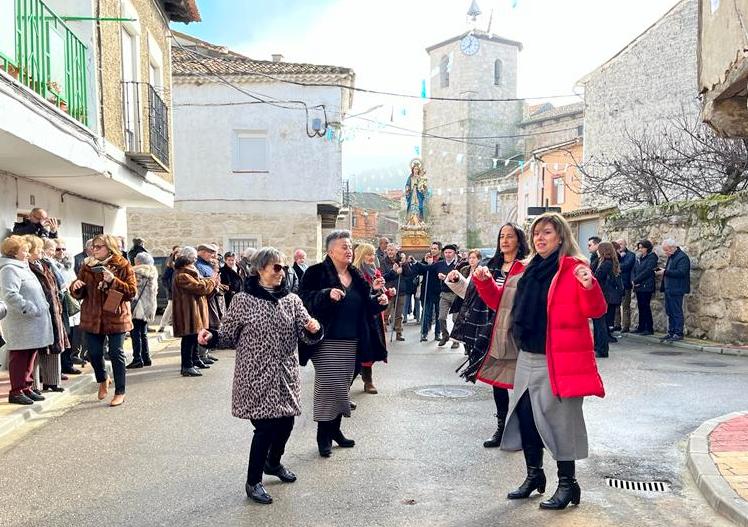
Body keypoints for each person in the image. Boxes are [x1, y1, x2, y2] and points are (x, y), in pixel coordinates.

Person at [474, 212, 607, 510]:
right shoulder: (526, 268)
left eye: (547, 232)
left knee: (561, 422)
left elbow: (596, 311)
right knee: (526, 419)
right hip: (527, 356)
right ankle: (534, 476)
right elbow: (503, 304)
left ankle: (568, 484)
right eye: (536, 233)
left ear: (560, 236)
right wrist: (482, 284)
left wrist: (589, 285)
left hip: (558, 359)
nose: (540, 238)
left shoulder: (574, 267)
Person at [198, 247, 322, 505]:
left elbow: (307, 332)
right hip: (254, 375)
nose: (282, 272)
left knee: (286, 423)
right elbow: (228, 334)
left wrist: (314, 329)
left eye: (284, 268)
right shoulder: (243, 300)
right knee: (265, 428)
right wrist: (211, 337)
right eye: (276, 267)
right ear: (260, 270)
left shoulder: (292, 300)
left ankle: (273, 463)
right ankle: (253, 481)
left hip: (284, 375)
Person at [298, 230, 388, 458]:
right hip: (326, 340)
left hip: (354, 341)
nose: (349, 251)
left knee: (342, 387)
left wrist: (379, 300)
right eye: (343, 247)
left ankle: (335, 430)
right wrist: (326, 295)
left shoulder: (356, 275)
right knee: (329, 388)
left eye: (350, 247)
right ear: (330, 251)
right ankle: (323, 436)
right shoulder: (315, 272)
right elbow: (303, 301)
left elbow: (365, 306)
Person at [448, 225, 529, 448]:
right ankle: (501, 428)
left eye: (510, 236)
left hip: (519, 330)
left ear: (519, 240)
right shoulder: (489, 265)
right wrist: (457, 281)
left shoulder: (527, 267)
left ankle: (523, 429)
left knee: (522, 384)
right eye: (501, 236)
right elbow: (472, 294)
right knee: (498, 382)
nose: (505, 240)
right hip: (492, 329)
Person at [70, 234, 136, 407]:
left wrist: (113, 281)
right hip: (92, 315)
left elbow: (131, 292)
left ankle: (120, 391)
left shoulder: (123, 265)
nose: (94, 249)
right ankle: (103, 379)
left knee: (116, 353)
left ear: (110, 247)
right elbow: (80, 292)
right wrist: (75, 287)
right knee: (93, 353)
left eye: (99, 246)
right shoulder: (87, 265)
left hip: (115, 315)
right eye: (93, 246)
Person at [0, 235, 54, 405]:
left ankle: (26, 387)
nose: (27, 253)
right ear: (14, 252)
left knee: (30, 354)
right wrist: (29, 307)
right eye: (24, 250)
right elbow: (10, 294)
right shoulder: (9, 269)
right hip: (22, 322)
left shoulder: (22, 267)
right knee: (20, 355)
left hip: (33, 321)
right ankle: (16, 391)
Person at [27, 236, 69, 392]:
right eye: (38, 249)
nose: (42, 251)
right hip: (38, 311)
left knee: (54, 346)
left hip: (53, 309)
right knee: (37, 350)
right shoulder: (27, 267)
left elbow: (60, 282)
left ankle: (52, 381)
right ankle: (33, 385)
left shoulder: (45, 264)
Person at [352, 243, 392, 395]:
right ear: (361, 255)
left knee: (372, 348)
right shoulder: (354, 273)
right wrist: (373, 290)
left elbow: (380, 293)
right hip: (360, 316)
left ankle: (367, 379)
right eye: (368, 254)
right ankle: (362, 380)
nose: (371, 257)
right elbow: (357, 295)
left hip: (374, 314)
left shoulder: (375, 272)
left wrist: (387, 294)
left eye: (372, 254)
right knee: (360, 349)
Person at [171, 246, 217, 377]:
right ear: (189, 259)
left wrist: (210, 282)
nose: (195, 260)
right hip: (187, 312)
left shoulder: (188, 272)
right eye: (194, 258)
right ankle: (187, 365)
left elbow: (201, 283)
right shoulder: (182, 274)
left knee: (194, 337)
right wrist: (212, 281)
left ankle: (195, 360)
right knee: (188, 339)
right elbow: (199, 287)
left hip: (193, 310)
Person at [126, 252, 159, 369]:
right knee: (143, 334)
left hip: (137, 307)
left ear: (139, 261)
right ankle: (146, 358)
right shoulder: (153, 273)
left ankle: (137, 359)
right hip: (148, 306)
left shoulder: (136, 272)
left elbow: (132, 290)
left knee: (135, 334)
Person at [656, 239, 691, 342]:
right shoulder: (672, 256)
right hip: (669, 289)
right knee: (669, 311)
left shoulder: (682, 257)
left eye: (666, 250)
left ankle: (678, 333)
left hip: (677, 288)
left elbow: (681, 272)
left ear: (672, 248)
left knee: (676, 311)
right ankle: (671, 332)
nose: (665, 253)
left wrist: (665, 272)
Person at [593, 242, 622, 357]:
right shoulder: (606, 262)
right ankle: (598, 346)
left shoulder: (607, 263)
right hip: (603, 295)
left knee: (600, 324)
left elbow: (597, 277)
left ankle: (601, 348)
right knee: (599, 323)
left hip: (603, 296)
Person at [380, 243, 413, 341]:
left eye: (392, 250)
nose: (390, 252)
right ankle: (383, 329)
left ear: (396, 251)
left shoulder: (401, 261)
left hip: (400, 289)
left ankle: (399, 331)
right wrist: (394, 272)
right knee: (386, 311)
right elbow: (383, 277)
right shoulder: (383, 261)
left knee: (399, 313)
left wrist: (405, 264)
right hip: (389, 290)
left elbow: (409, 274)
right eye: (388, 250)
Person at [412, 242, 442, 342]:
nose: (433, 250)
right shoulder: (426, 260)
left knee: (439, 313)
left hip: (438, 290)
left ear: (439, 250)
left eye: (435, 249)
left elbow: (435, 270)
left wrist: (430, 264)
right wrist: (425, 262)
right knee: (426, 312)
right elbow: (420, 271)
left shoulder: (442, 261)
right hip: (427, 290)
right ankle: (424, 333)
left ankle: (438, 333)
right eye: (432, 248)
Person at [435, 244, 460, 347]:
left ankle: (456, 340)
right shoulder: (440, 264)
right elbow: (428, 268)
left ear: (454, 253)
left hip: (456, 295)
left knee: (456, 319)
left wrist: (446, 278)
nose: (448, 255)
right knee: (441, 317)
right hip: (444, 294)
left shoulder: (459, 264)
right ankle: (445, 335)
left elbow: (461, 279)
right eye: (446, 253)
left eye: (450, 252)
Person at [632, 240, 657, 336]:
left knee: (646, 306)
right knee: (640, 306)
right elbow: (634, 269)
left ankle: (648, 328)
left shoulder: (652, 257)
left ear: (647, 248)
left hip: (646, 285)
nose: (640, 249)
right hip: (638, 286)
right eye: (639, 247)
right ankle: (641, 326)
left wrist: (636, 280)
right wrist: (633, 280)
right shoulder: (639, 258)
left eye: (642, 247)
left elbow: (648, 271)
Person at [157, 245, 181, 332]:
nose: (178, 256)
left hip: (182, 291)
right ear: (174, 255)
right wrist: (169, 287)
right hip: (173, 291)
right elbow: (164, 278)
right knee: (170, 308)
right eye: (176, 254)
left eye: (179, 255)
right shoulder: (171, 265)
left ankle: (177, 326)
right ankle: (162, 325)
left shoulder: (183, 265)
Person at [615, 239, 636, 333]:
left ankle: (626, 326)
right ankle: (617, 324)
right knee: (616, 305)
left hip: (626, 284)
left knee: (625, 306)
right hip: (616, 284)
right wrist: (618, 256)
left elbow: (626, 266)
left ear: (625, 244)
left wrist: (618, 263)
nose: (619, 246)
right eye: (618, 244)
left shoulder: (631, 255)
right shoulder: (615, 255)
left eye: (621, 244)